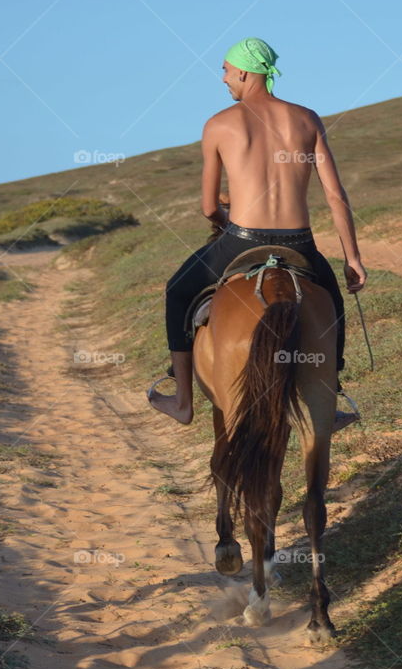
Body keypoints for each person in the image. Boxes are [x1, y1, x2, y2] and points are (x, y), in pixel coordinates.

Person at [147, 36, 368, 430]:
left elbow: (208, 207)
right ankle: (328, 397)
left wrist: (224, 222)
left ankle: (182, 401)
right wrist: (352, 258)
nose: (223, 78)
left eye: (226, 70)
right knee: (331, 303)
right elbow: (335, 195)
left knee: (178, 290)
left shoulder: (219, 124)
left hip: (241, 240)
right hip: (299, 243)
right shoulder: (307, 119)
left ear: (246, 73)